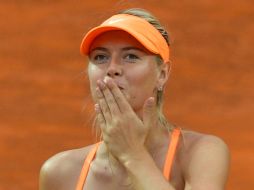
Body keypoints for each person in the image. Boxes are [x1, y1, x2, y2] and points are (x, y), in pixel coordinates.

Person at [39, 8, 230, 190]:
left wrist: (132, 154)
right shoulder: (60, 173)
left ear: (162, 74)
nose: (112, 67)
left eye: (131, 56)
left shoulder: (199, 153)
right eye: (100, 57)